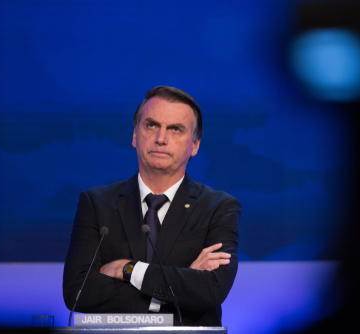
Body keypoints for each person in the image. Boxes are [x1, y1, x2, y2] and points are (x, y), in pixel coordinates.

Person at [63, 86, 241, 326]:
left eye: (175, 129)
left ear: (195, 145)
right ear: (135, 135)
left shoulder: (219, 207)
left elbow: (211, 289)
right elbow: (78, 292)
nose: (161, 138)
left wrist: (128, 269)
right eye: (151, 125)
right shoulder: (96, 203)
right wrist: (174, 290)